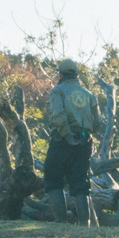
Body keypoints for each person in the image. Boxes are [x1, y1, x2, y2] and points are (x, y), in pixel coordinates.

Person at [44, 59, 103, 225]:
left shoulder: (57, 91)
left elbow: (59, 116)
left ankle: (61, 222)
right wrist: (83, 136)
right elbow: (97, 122)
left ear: (60, 74)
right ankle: (85, 224)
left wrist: (69, 137)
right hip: (84, 142)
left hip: (62, 141)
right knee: (80, 182)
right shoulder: (89, 94)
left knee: (53, 178)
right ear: (77, 75)